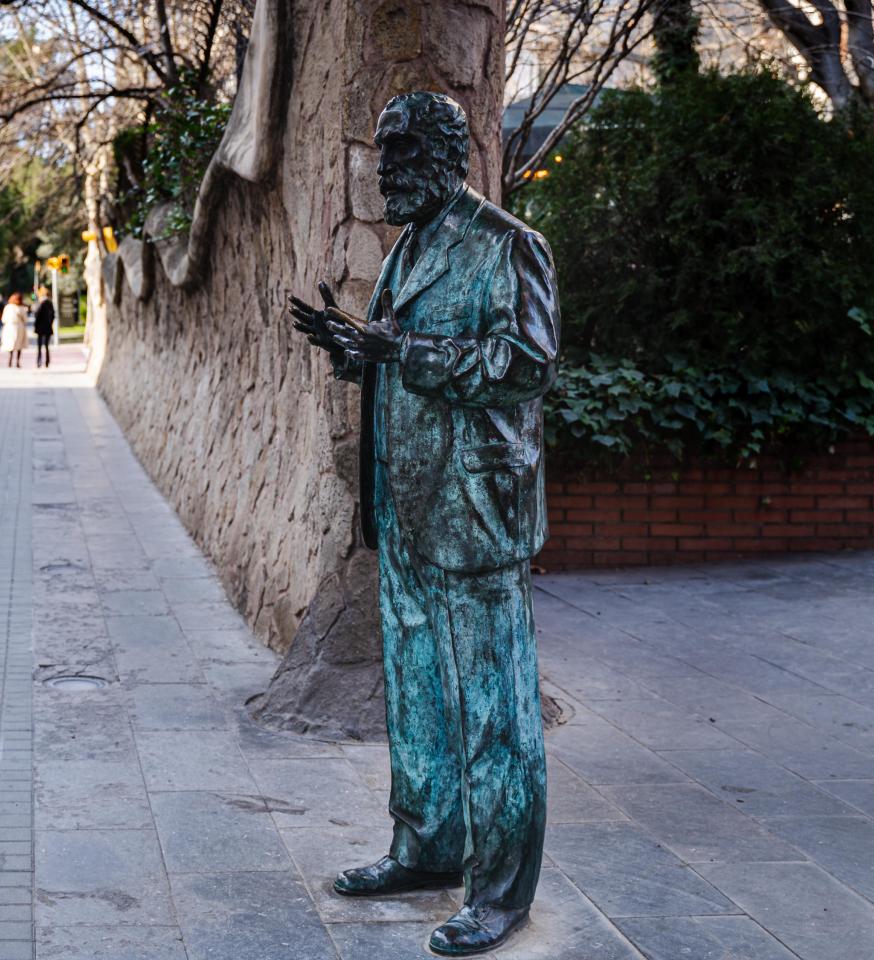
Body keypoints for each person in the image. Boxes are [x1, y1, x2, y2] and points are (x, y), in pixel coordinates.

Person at [288, 92, 559, 957]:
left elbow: (526, 364)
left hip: (472, 510)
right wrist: (355, 351)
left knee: (494, 711)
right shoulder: (409, 245)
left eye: (401, 153)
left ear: (448, 153)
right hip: (406, 506)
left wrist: (402, 351)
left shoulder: (507, 244)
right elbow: (402, 360)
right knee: (416, 696)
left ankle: (501, 892)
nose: (385, 171)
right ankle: (425, 848)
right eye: (382, 154)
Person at [0, 292, 28, 368]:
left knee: (10, 344)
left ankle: (10, 359)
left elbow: (3, 319)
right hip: (19, 327)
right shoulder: (21, 308)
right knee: (19, 345)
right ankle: (17, 361)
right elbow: (25, 319)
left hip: (9, 327)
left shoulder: (7, 307)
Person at [33, 286, 56, 368]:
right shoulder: (50, 303)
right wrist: (50, 323)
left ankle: (39, 361)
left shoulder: (40, 303)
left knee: (39, 346)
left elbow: (37, 315)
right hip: (48, 327)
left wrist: (35, 325)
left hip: (40, 327)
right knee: (46, 345)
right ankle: (47, 362)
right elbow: (53, 315)